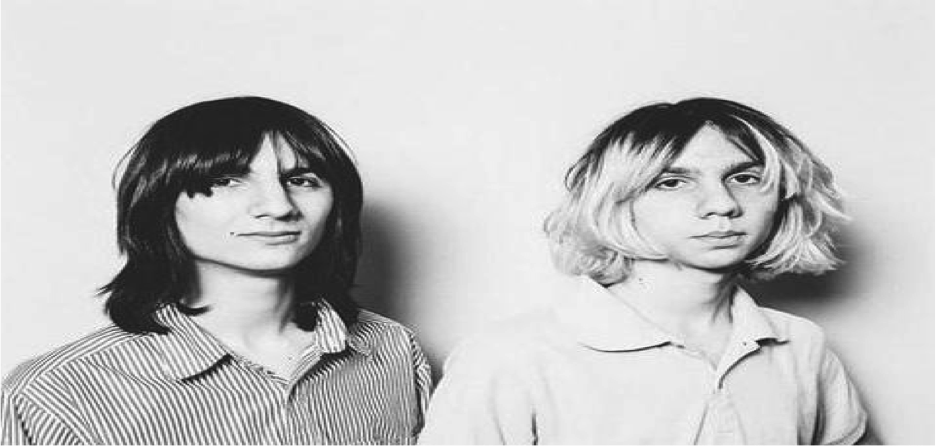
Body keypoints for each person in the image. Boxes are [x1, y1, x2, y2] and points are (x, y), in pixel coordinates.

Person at [418, 98, 871, 445]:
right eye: (672, 182)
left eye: (745, 178)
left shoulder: (801, 345)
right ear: (615, 201)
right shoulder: (512, 357)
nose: (722, 204)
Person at [1, 96, 431, 445]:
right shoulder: (56, 392)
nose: (278, 207)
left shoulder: (391, 349)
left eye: (301, 180)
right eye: (227, 180)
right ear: (160, 204)